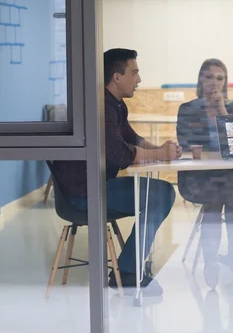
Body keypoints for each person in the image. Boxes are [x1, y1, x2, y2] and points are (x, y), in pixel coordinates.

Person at [52, 48, 182, 296]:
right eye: (134, 72)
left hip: (94, 186)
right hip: (83, 195)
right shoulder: (101, 106)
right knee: (162, 194)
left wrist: (161, 150)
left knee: (160, 192)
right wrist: (159, 155)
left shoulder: (114, 104)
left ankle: (128, 268)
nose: (139, 79)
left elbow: (131, 138)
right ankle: (128, 272)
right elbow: (119, 155)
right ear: (117, 76)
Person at [176, 59, 233, 288]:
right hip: (200, 175)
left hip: (230, 174)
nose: (214, 83)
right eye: (208, 77)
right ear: (200, 80)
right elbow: (186, 144)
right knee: (214, 198)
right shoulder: (187, 109)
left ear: (225, 82)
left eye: (219, 78)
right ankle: (211, 262)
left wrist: (222, 111)